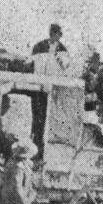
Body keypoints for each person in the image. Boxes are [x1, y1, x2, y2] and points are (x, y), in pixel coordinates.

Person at [31, 24, 68, 159]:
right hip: (39, 89)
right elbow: (33, 64)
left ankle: (47, 155)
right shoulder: (39, 46)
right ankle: (35, 152)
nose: (60, 37)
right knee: (37, 120)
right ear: (52, 33)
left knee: (52, 122)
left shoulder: (62, 49)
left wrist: (60, 60)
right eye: (58, 33)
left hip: (54, 91)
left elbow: (65, 68)